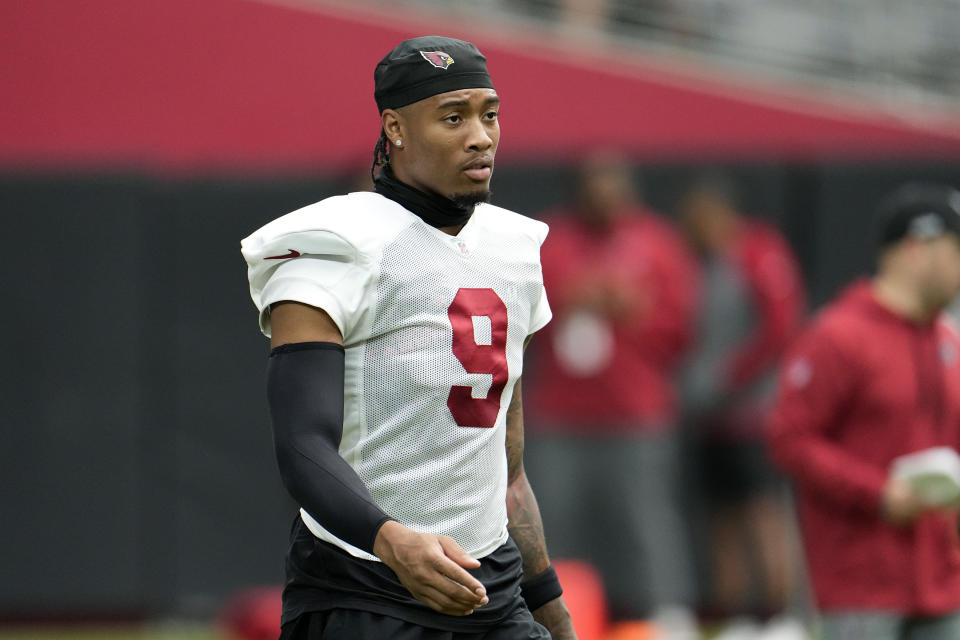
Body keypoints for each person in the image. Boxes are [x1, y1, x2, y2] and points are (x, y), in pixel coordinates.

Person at [240, 36, 576, 640]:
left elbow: (509, 468)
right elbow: (302, 445)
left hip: (493, 595)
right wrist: (391, 541)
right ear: (394, 127)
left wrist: (548, 602)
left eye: (489, 114)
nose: (481, 136)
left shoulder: (515, 248)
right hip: (366, 590)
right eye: (453, 117)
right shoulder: (336, 243)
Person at [767, 184, 960, 640]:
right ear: (918, 249)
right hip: (861, 582)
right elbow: (790, 439)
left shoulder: (946, 341)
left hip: (941, 580)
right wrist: (878, 492)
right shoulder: (838, 336)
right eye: (955, 252)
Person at [523, 151, 700, 633]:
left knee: (647, 523)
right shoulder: (546, 239)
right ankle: (545, 619)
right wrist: (568, 299)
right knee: (548, 523)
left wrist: (634, 310)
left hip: (636, 413)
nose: (605, 193)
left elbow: (683, 327)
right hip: (561, 416)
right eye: (595, 181)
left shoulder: (657, 242)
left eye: (614, 181)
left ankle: (667, 615)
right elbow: (516, 319)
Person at [676, 173, 807, 638]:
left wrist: (728, 377)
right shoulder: (697, 263)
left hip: (754, 416)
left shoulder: (758, 251)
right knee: (722, 515)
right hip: (712, 420)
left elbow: (779, 327)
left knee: (762, 510)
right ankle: (729, 610)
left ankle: (777, 610)